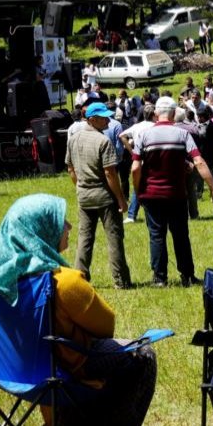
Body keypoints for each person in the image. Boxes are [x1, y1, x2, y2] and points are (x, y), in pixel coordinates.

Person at [0, 194, 158, 426]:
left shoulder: (4, 283)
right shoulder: (64, 282)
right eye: (58, 222)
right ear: (40, 232)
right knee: (142, 354)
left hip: (20, 373)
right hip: (65, 371)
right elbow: (106, 326)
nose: (68, 226)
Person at [130, 96, 213, 287]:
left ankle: (160, 278)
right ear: (172, 113)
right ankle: (187, 275)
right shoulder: (182, 135)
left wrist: (138, 190)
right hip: (177, 195)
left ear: (155, 114)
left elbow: (136, 168)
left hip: (151, 194)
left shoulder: (142, 135)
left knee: (156, 236)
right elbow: (199, 162)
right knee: (181, 236)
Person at [68, 102, 133, 289]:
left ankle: (79, 279)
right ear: (92, 119)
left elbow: (70, 169)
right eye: (104, 117)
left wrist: (80, 186)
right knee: (114, 238)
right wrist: (121, 198)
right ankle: (121, 281)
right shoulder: (103, 141)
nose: (108, 120)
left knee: (84, 238)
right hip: (105, 197)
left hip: (84, 196)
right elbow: (110, 174)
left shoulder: (73, 139)